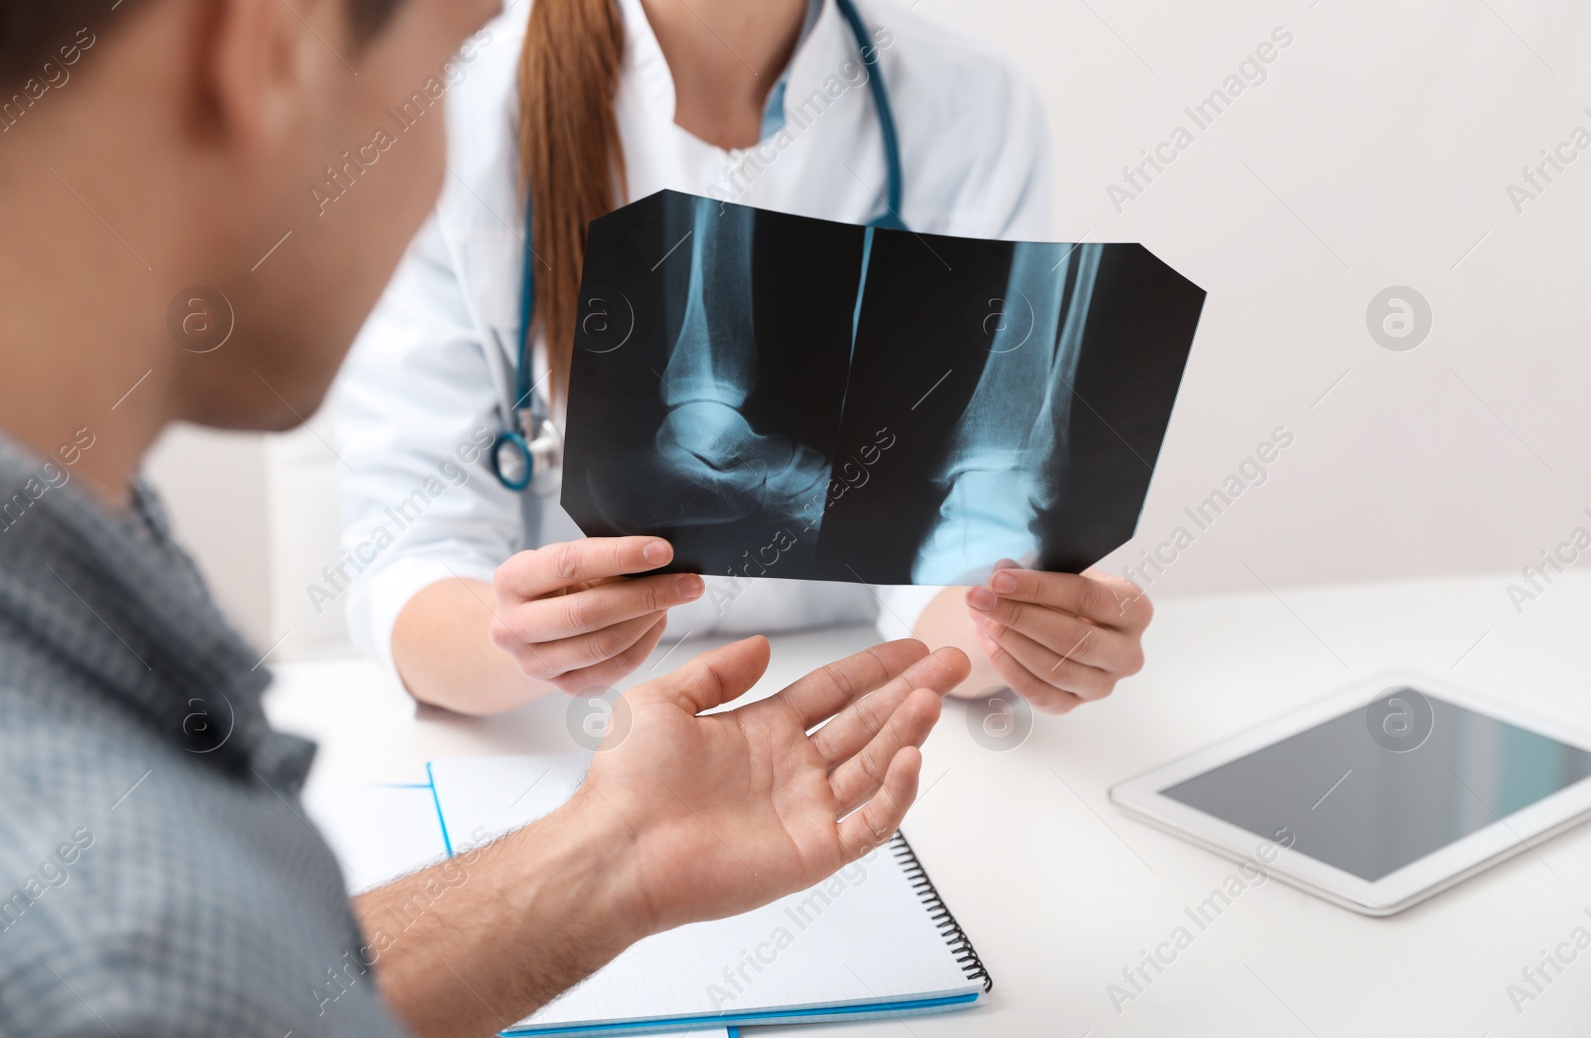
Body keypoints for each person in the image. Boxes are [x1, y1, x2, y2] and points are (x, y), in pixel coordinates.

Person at [0, 1, 971, 1034]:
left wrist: (613, 857)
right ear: (270, 49)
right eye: (453, 53)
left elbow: (264, 974)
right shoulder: (121, 971)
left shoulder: (81, 582)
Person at [332, 0, 1154, 718]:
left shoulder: (973, 105)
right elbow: (405, 563)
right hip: (570, 735)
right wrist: (518, 641)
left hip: (861, 708)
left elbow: (960, 553)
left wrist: (1018, 637)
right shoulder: (449, 101)